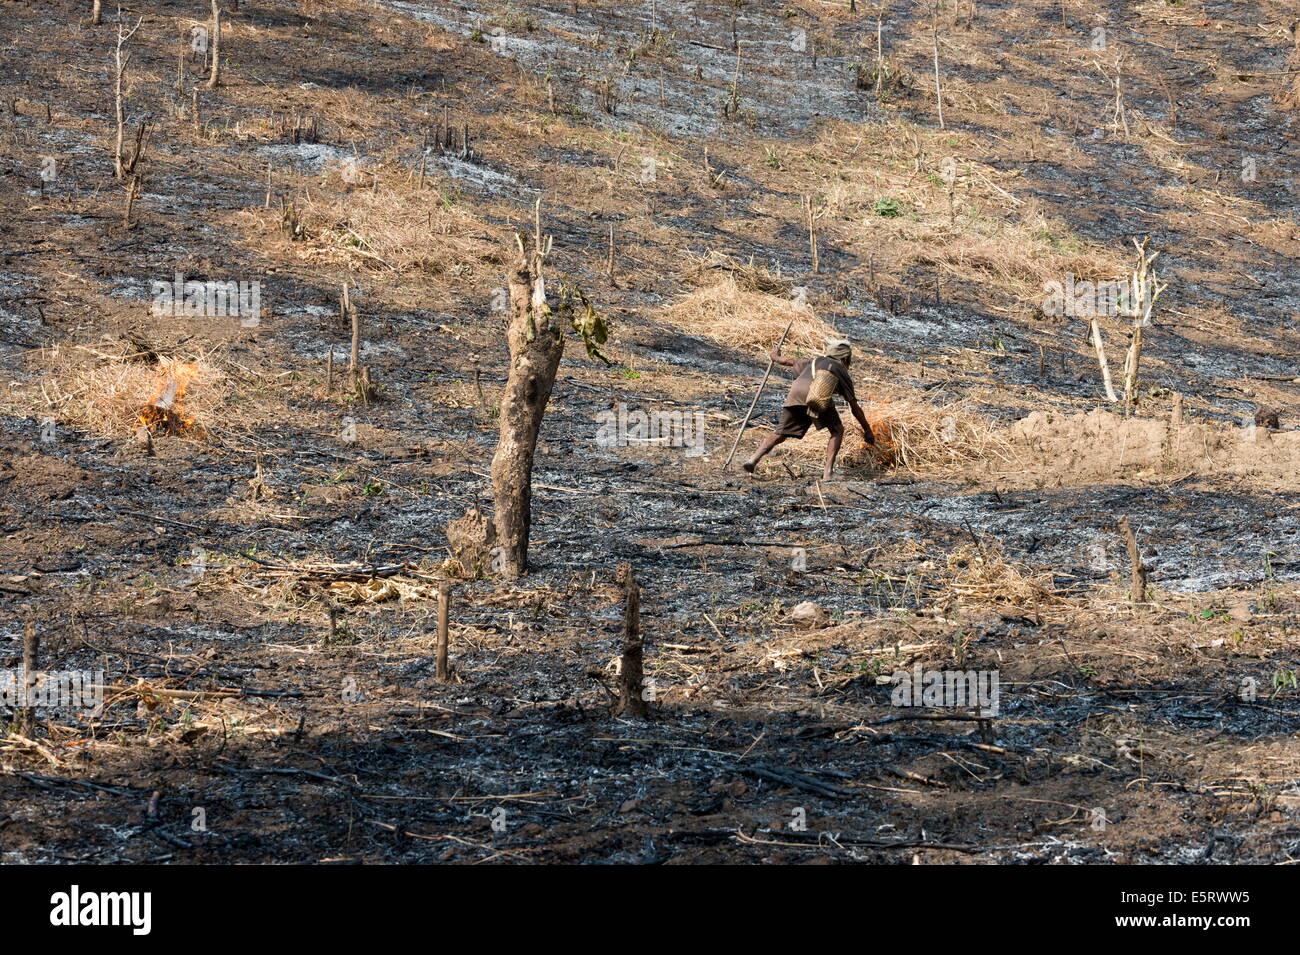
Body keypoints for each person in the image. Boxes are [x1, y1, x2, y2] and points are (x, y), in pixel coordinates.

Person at [742, 339, 874, 481]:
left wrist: (774, 356)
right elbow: (855, 407)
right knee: (837, 430)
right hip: (816, 396)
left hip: (795, 393)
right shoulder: (839, 369)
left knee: (780, 433)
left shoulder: (814, 361)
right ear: (845, 357)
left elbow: (788, 361)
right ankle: (828, 473)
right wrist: (867, 430)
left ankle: (753, 459)